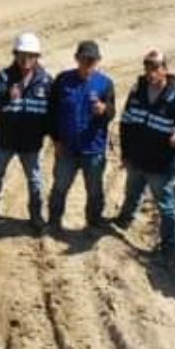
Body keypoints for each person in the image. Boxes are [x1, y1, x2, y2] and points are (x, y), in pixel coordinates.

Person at [116, 49, 175, 253]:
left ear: (164, 69)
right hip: (137, 159)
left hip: (161, 166)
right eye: (147, 67)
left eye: (155, 68)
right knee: (132, 194)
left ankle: (168, 244)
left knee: (166, 207)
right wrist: (125, 154)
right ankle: (124, 221)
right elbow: (126, 123)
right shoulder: (137, 91)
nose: (150, 72)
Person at [0, 31, 54, 234]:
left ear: (37, 57)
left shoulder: (46, 81)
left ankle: (35, 215)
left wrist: (49, 135)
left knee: (34, 180)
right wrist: (8, 94)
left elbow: (51, 113)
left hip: (31, 142)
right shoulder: (4, 77)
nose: (26, 60)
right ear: (15, 54)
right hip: (5, 140)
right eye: (22, 55)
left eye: (31, 55)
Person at [48, 39, 116, 234]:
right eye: (84, 59)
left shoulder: (105, 83)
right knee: (60, 187)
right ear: (76, 59)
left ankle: (93, 223)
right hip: (66, 147)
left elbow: (112, 112)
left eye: (92, 60)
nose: (88, 63)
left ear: (98, 61)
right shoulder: (62, 80)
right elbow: (51, 112)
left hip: (93, 149)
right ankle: (54, 222)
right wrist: (56, 140)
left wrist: (104, 109)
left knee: (94, 191)